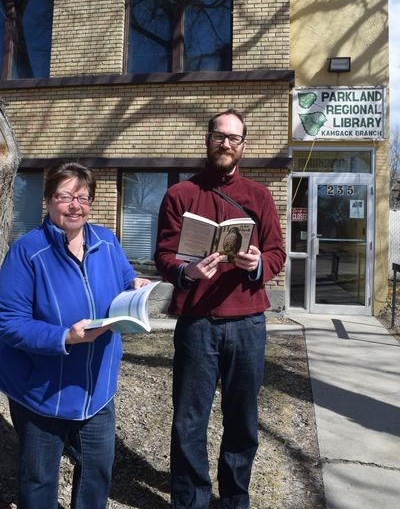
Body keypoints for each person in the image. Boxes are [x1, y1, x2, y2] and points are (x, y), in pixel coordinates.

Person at [155, 109, 286, 508]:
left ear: (242, 146)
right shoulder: (180, 195)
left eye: (234, 138)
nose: (225, 144)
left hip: (247, 323)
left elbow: (277, 252)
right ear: (207, 140)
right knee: (189, 420)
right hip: (197, 324)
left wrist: (258, 264)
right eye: (219, 136)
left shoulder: (259, 197)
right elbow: (163, 255)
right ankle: (190, 499)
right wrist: (187, 270)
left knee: (243, 422)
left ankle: (233, 498)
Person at [0, 161, 150, 509]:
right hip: (41, 392)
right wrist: (64, 337)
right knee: (39, 482)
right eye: (65, 196)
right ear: (49, 201)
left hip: (97, 388)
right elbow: (8, 321)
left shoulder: (107, 242)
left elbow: (125, 275)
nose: (74, 206)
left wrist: (135, 284)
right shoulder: (27, 252)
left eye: (83, 197)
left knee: (97, 472)